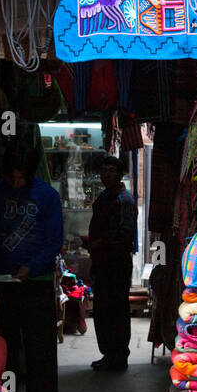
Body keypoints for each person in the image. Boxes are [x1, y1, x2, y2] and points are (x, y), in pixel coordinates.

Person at [0, 147, 64, 392]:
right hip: (2, 284)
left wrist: (34, 267)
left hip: (35, 285)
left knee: (41, 351)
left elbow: (54, 241)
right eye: (10, 178)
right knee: (6, 351)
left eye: (20, 178)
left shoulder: (47, 196)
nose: (15, 183)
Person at [85, 154, 137, 371]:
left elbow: (125, 236)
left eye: (111, 171)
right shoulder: (107, 196)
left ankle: (117, 356)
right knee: (104, 310)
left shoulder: (123, 200)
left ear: (120, 174)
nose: (106, 175)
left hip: (116, 263)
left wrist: (98, 243)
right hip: (104, 262)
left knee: (115, 310)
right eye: (103, 170)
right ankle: (110, 354)